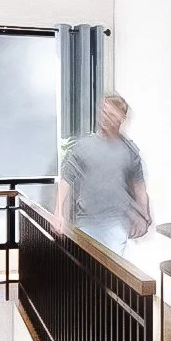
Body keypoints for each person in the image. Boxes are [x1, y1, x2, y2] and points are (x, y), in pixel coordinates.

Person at [54, 93, 151, 257]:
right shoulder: (84, 147)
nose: (106, 118)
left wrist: (144, 216)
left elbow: (139, 186)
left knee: (109, 275)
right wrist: (58, 214)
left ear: (122, 118)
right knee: (87, 272)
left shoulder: (129, 151)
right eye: (104, 112)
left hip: (116, 223)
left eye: (111, 114)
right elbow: (66, 180)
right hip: (87, 222)